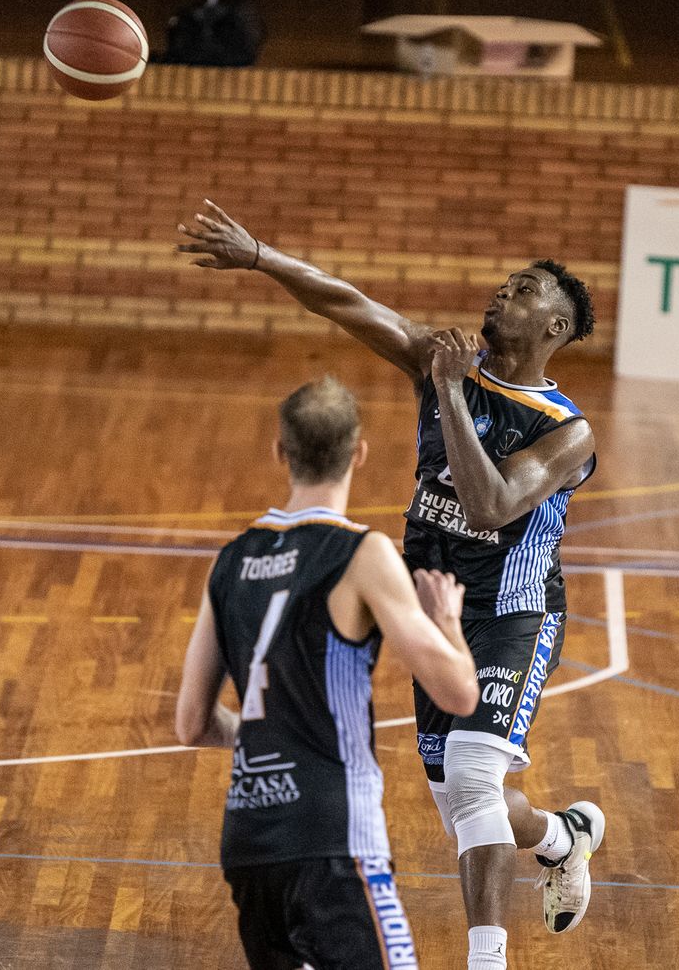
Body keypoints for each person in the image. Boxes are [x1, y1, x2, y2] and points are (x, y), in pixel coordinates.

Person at [178, 203, 605, 970]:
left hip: (514, 609)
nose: (503, 292)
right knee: (465, 801)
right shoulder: (439, 358)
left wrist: (445, 389)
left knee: (474, 775)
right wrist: (260, 256)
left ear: (555, 329)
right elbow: (347, 301)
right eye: (505, 281)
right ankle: (561, 837)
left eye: (525, 289)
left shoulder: (566, 431)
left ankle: (487, 959)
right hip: (433, 599)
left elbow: (490, 505)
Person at [175, 376, 478, 970]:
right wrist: (446, 621)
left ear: (279, 452)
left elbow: (191, 723)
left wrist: (271, 739)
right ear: (360, 451)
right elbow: (460, 691)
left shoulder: (231, 559)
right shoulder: (361, 552)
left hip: (249, 840)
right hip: (334, 836)